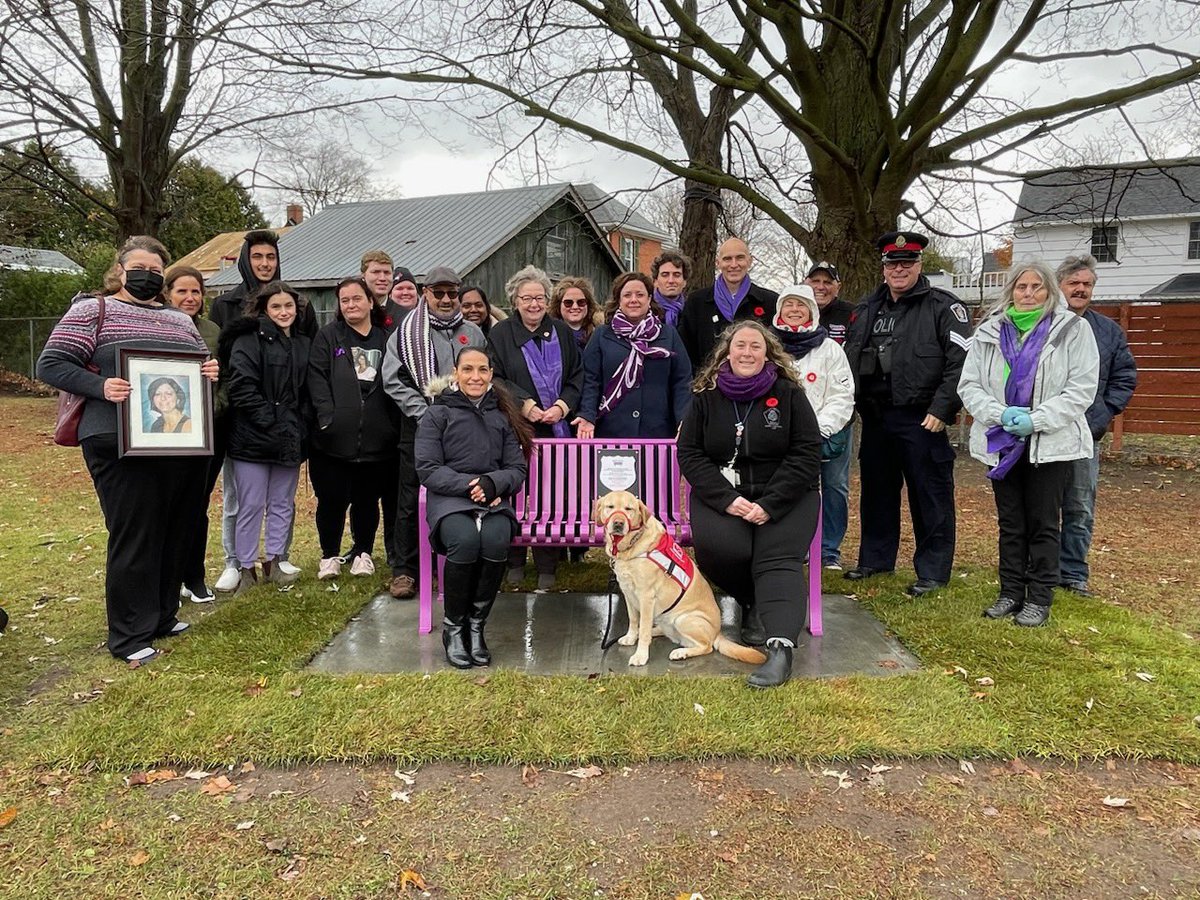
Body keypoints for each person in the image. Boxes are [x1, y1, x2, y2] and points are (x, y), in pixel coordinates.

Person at [37, 235, 217, 664]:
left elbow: (198, 367)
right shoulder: (91, 310)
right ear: (119, 270)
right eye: (138, 268)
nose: (147, 276)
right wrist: (100, 386)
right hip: (115, 440)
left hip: (179, 441)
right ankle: (129, 635)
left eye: (156, 271)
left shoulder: (180, 321)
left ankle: (161, 615)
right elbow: (52, 363)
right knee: (135, 531)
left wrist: (209, 370)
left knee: (176, 528)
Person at [677, 321, 822, 688]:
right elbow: (691, 454)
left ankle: (780, 650)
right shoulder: (706, 396)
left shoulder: (788, 394)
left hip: (787, 496)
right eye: (739, 345)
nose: (746, 352)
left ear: (767, 352)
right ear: (727, 352)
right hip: (724, 496)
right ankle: (750, 600)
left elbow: (806, 454)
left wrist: (770, 505)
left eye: (755, 346)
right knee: (724, 549)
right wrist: (729, 501)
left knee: (776, 558)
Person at [958, 261, 1099, 627]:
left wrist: (1035, 420)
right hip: (1002, 439)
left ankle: (1039, 597)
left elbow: (1081, 389)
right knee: (1011, 523)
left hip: (1048, 444)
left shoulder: (1072, 331)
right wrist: (999, 414)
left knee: (1043, 522)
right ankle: (1010, 592)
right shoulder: (990, 331)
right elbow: (969, 385)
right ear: (1011, 291)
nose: (1028, 294)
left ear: (1050, 291)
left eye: (1037, 287)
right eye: (1022, 287)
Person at [842, 231, 972, 596]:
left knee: (929, 495)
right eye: (892, 263)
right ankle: (875, 560)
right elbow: (849, 362)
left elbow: (961, 363)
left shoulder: (943, 307)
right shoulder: (866, 309)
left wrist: (942, 408)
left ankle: (932, 571)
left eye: (907, 262)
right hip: (877, 417)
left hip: (922, 417)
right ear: (883, 268)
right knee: (877, 493)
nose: (899, 269)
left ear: (919, 265)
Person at [416, 347, 532, 668]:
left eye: (482, 370)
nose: (475, 377)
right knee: (464, 541)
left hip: (493, 500)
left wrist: (493, 484)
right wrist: (472, 488)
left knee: (496, 539)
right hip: (451, 500)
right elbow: (427, 467)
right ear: (456, 373)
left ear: (491, 375)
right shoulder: (437, 414)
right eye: (468, 370)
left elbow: (516, 469)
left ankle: (476, 626)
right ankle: (454, 627)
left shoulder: (502, 416)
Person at [209, 230, 312, 592]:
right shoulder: (245, 339)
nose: (284, 312)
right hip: (252, 434)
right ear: (264, 309)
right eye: (277, 307)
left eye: (289, 307)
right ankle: (243, 563)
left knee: (282, 501)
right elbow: (241, 386)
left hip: (289, 436)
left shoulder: (302, 343)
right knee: (248, 504)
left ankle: (277, 559)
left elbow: (306, 390)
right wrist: (269, 420)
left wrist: (299, 426)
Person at [382, 265, 487, 599]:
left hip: (464, 429)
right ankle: (406, 571)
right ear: (425, 293)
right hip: (420, 426)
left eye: (451, 293)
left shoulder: (473, 331)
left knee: (460, 494)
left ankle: (452, 564)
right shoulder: (405, 332)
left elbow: (484, 375)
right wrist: (425, 413)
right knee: (411, 498)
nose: (445, 299)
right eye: (437, 292)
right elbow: (392, 380)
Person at [487, 265, 585, 590]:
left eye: (539, 298)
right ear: (514, 300)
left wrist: (561, 406)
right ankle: (513, 560)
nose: (533, 304)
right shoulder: (500, 335)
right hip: (516, 428)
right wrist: (524, 404)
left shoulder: (561, 332)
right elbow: (495, 377)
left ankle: (547, 565)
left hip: (556, 430)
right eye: (526, 298)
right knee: (513, 494)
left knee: (551, 497)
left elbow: (576, 377)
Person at [307, 276, 403, 580]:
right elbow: (317, 379)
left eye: (357, 298)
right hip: (333, 440)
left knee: (366, 501)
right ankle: (329, 556)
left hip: (377, 440)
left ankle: (363, 552)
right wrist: (327, 418)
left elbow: (397, 381)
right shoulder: (329, 337)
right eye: (345, 300)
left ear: (370, 301)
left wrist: (389, 426)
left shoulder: (386, 338)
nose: (351, 304)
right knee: (332, 501)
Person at [1056, 255, 1138, 597]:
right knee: (1038, 507)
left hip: (1084, 436)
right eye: (1074, 283)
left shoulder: (1107, 331)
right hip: (1040, 433)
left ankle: (1073, 573)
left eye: (1087, 284)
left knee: (1079, 506)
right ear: (1059, 286)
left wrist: (1103, 413)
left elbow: (1125, 376)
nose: (1081, 289)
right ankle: (1036, 567)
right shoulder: (1042, 325)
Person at [771, 284, 855, 522]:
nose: (794, 309)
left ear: (811, 311)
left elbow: (842, 394)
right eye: (789, 304)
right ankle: (795, 546)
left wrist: (816, 429)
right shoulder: (768, 346)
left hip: (825, 433)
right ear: (779, 309)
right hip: (779, 435)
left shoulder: (830, 349)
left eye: (801, 305)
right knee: (786, 489)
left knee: (834, 487)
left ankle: (828, 550)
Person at [165, 266, 224, 604]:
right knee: (165, 509)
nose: (189, 298)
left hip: (204, 433)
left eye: (196, 292)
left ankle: (194, 576)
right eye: (182, 292)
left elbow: (227, 379)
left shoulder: (212, 331)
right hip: (161, 436)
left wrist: (213, 404)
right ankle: (166, 580)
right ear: (167, 294)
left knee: (196, 506)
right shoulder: (154, 326)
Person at [575, 272, 692, 439]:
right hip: (611, 431)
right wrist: (587, 414)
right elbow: (590, 380)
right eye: (627, 295)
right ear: (619, 300)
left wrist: (684, 420)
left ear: (650, 298)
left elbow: (682, 381)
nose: (633, 300)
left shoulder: (669, 335)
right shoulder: (602, 335)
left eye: (640, 294)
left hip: (657, 432)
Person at [804, 261, 856, 569]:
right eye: (815, 280)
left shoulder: (852, 315)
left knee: (835, 485)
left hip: (837, 417)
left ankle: (829, 551)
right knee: (799, 486)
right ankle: (801, 544)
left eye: (827, 281)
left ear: (837, 286)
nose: (821, 286)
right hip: (799, 423)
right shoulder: (793, 315)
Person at [677, 237, 776, 368]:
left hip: (757, 385)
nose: (734, 265)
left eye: (740, 258)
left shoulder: (770, 302)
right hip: (708, 384)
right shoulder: (696, 302)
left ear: (750, 261)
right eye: (727, 259)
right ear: (718, 263)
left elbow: (776, 351)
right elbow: (685, 352)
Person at [548, 276, 601, 350]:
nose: (575, 307)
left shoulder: (600, 334)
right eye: (568, 303)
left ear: (588, 304)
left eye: (581, 302)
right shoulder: (549, 335)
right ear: (558, 305)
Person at [360, 249, 406, 332]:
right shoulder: (351, 311)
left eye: (387, 273)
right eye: (376, 272)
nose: (382, 278)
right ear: (363, 275)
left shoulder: (404, 316)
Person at [651, 251, 690, 327]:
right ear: (655, 281)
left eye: (677, 275)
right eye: (665, 275)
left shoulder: (692, 312)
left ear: (684, 282)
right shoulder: (646, 311)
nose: (671, 281)